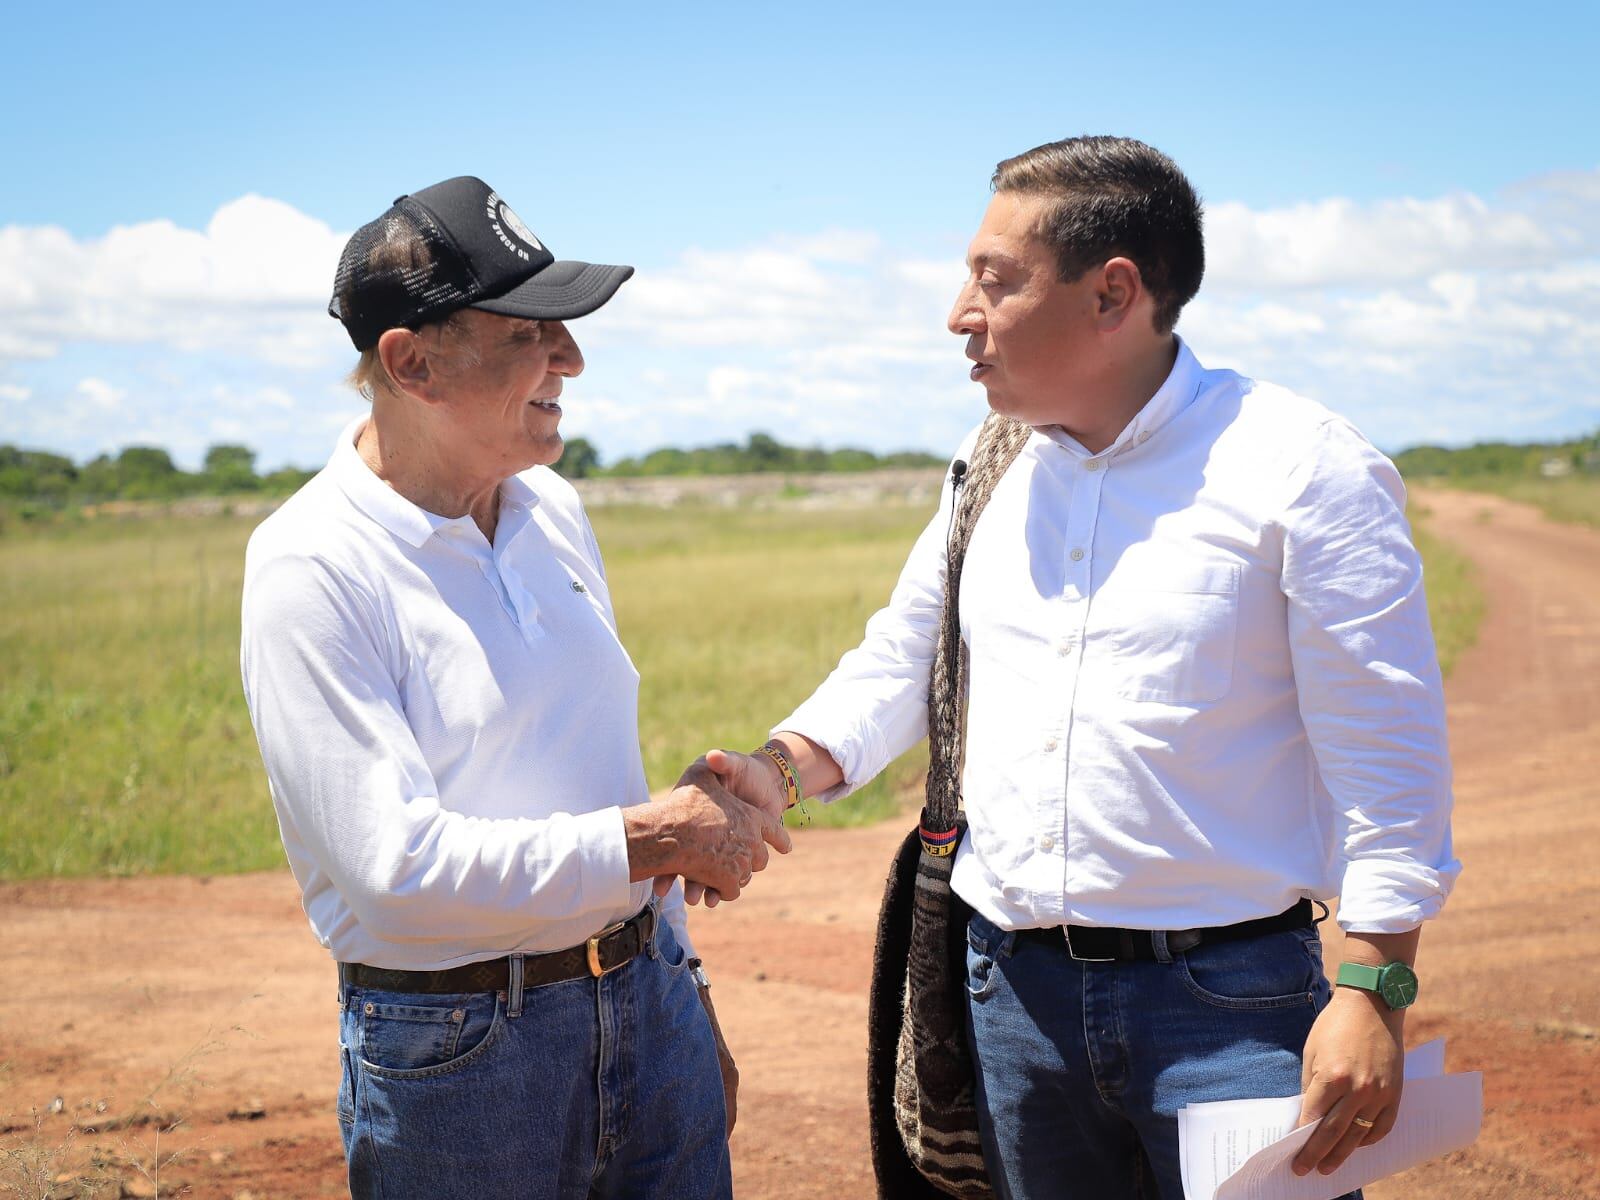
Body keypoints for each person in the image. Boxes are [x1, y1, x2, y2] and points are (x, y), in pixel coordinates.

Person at [698, 137, 1459, 1199]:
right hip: (1012, 1000)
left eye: (993, 281)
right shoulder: (993, 466)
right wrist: (774, 771)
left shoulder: (1304, 468)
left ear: (1113, 294)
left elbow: (1389, 755)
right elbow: (903, 661)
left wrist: (1374, 988)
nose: (958, 312)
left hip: (1228, 1008)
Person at [239, 176, 788, 1200]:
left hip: (644, 1002)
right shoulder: (311, 566)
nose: (570, 359)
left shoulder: (550, 509)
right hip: (462, 1057)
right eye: (528, 333)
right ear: (413, 363)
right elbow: (392, 870)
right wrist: (649, 839)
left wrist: (681, 987)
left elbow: (602, 775)